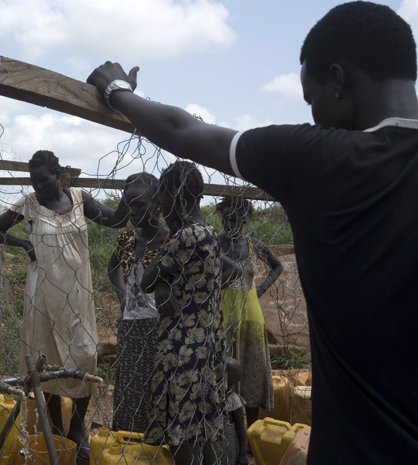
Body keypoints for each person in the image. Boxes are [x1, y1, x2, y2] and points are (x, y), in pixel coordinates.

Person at [87, 2, 418, 462]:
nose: (314, 114)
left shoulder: (321, 159)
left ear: (338, 80)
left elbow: (182, 130)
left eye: (310, 97)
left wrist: (117, 89)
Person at [0, 150, 128, 458]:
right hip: (43, 293)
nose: (37, 186)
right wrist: (24, 243)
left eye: (43, 180)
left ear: (58, 174)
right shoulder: (30, 204)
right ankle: (57, 430)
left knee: (85, 354)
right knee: (44, 357)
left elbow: (115, 220)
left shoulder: (79, 198)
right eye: (33, 181)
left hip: (77, 292)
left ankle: (77, 426)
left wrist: (128, 196)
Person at [140, 161, 224, 465]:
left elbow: (145, 278)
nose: (159, 205)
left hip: (181, 347)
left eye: (162, 196)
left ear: (177, 195)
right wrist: (165, 287)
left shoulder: (187, 236)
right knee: (199, 428)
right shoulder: (210, 234)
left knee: (180, 435)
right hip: (203, 343)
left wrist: (160, 283)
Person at [107, 172, 169, 433]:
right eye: (129, 205)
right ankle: (127, 444)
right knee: (129, 390)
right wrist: (123, 296)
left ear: (157, 204)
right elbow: (112, 267)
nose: (133, 212)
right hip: (131, 327)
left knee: (156, 390)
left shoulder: (170, 240)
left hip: (160, 328)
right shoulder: (127, 240)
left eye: (140, 205)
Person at [216, 196, 282, 426]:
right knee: (223, 376)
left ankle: (252, 433)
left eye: (236, 219)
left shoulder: (253, 244)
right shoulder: (214, 244)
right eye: (227, 218)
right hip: (223, 318)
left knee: (253, 374)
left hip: (251, 317)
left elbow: (278, 266)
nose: (231, 223)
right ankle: (228, 434)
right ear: (221, 216)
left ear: (245, 219)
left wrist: (261, 288)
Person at [220, 358, 248, 465]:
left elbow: (241, 427)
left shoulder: (233, 400)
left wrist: (243, 454)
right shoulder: (213, 397)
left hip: (229, 446)